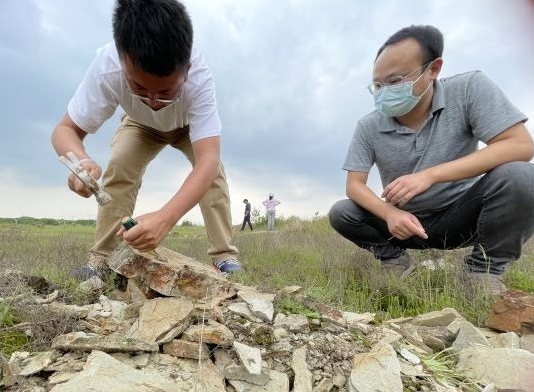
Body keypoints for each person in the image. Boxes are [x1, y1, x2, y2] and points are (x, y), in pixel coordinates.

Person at [329, 25, 534, 296]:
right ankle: (394, 259)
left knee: (522, 177)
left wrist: (430, 175)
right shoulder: (368, 126)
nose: (384, 92)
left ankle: (482, 272)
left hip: (464, 216)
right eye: (377, 85)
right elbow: (354, 185)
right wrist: (390, 212)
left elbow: (519, 145)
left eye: (395, 81)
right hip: (405, 224)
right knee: (342, 212)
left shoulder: (468, 89)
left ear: (433, 69)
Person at [51, 0, 242, 277]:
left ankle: (224, 255)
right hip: (139, 124)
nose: (152, 100)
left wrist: (165, 218)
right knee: (120, 164)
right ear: (121, 59)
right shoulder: (107, 67)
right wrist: (81, 162)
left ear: (186, 69)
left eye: (165, 91)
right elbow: (64, 130)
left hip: (187, 127)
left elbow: (208, 159)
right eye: (138, 87)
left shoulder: (199, 79)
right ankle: (101, 261)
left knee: (213, 177)